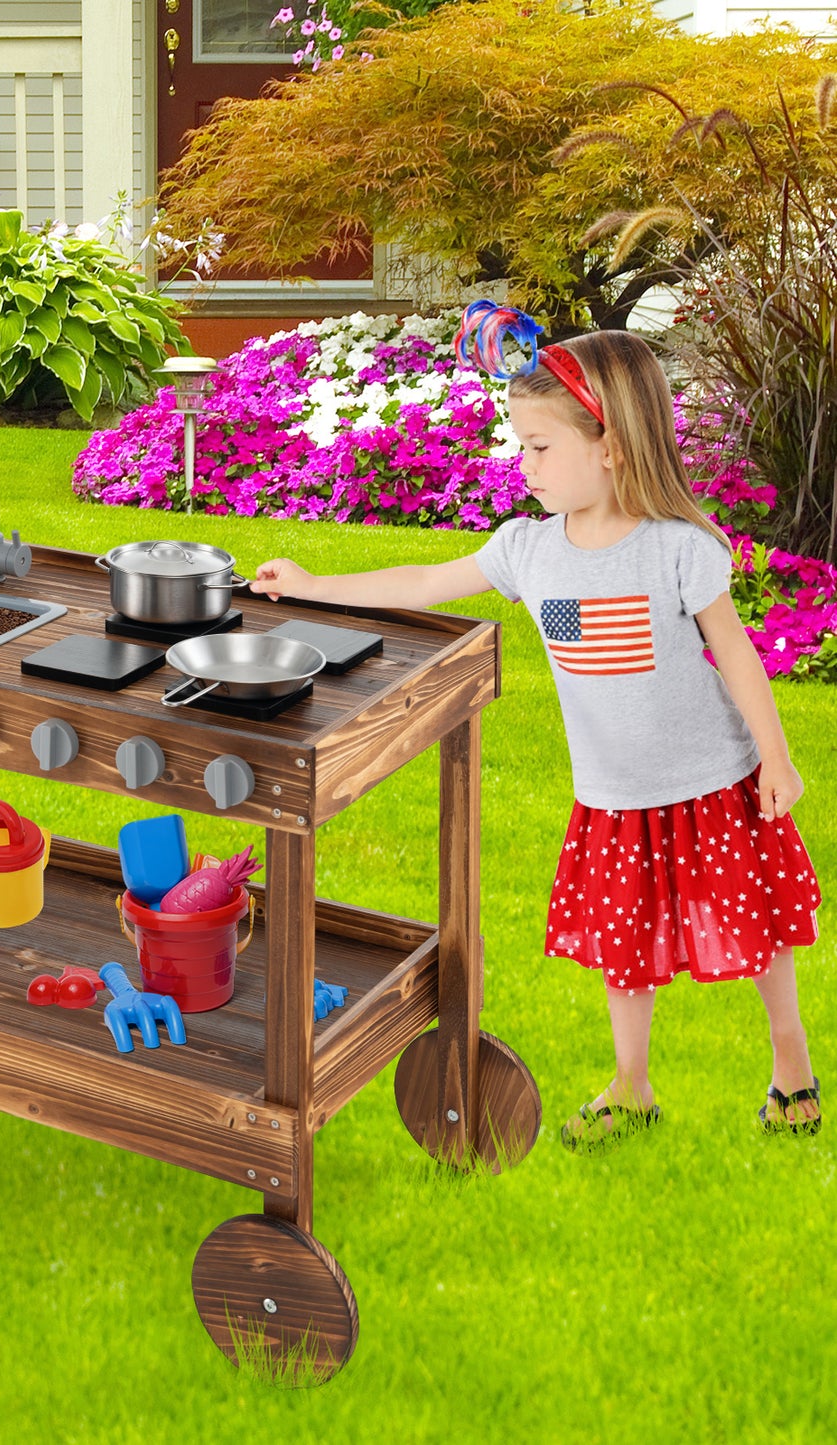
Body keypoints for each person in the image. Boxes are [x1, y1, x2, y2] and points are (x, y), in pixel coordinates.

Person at [251, 312, 822, 1152]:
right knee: (623, 947)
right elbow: (423, 580)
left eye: (540, 446)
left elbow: (734, 654)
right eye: (521, 445)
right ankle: (630, 1084)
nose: (524, 464)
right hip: (612, 794)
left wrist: (773, 758)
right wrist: (313, 582)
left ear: (611, 447)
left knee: (756, 925)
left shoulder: (675, 549)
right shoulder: (529, 550)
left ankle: (790, 1060)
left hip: (712, 778)